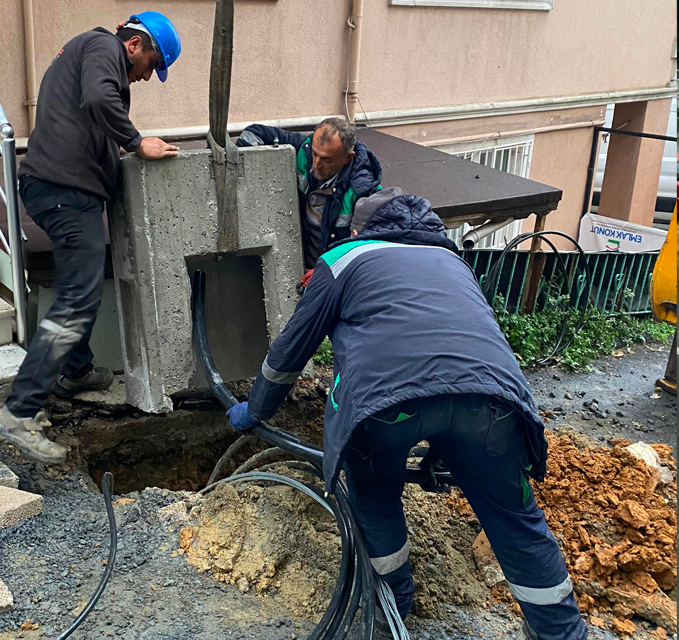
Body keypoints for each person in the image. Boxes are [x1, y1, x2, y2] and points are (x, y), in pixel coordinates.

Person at [226, 188, 587, 640]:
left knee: (374, 490)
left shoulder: (343, 258)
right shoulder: (454, 263)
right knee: (516, 518)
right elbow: (449, 362)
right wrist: (446, 446)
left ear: (359, 230)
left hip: (385, 407)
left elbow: (287, 354)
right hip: (494, 404)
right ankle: (561, 633)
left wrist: (254, 410)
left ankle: (391, 606)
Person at [0, 13, 182, 464]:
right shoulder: (104, 48)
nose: (143, 78)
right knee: (79, 298)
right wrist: (139, 143)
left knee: (79, 285)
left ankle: (77, 371)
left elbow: (94, 115)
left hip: (60, 188)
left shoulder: (86, 53)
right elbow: (102, 98)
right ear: (136, 45)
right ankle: (19, 412)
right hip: (65, 191)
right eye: (149, 66)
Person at [235, 117, 382, 285]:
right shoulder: (303, 148)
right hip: (297, 259)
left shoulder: (363, 190)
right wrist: (239, 169)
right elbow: (255, 132)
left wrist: (329, 268)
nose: (316, 164)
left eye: (326, 159)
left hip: (329, 274)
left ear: (347, 158)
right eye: (315, 154)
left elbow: (368, 250)